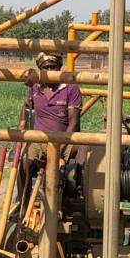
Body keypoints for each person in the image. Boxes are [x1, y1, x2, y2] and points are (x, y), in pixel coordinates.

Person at [16, 52, 81, 217]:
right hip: (39, 138)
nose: (50, 71)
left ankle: (64, 204)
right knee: (24, 164)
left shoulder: (70, 88)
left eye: (54, 67)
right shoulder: (35, 86)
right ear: (40, 69)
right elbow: (26, 109)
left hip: (63, 139)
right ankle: (24, 205)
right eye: (46, 68)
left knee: (73, 171)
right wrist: (21, 127)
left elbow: (74, 123)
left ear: (60, 68)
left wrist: (60, 146)